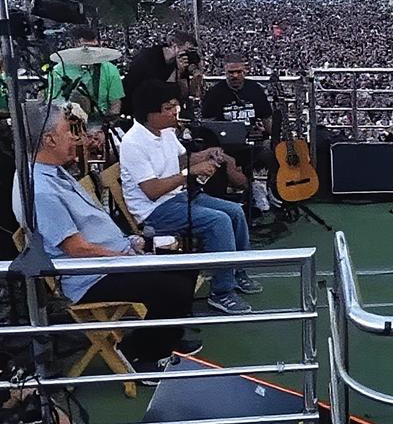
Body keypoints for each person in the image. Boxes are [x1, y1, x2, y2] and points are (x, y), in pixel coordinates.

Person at [11, 101, 200, 372]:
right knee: (173, 288)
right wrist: (126, 257)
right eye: (68, 131)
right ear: (49, 139)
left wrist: (129, 245)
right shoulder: (40, 190)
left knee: (186, 265)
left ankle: (165, 339)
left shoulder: (51, 172)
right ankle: (141, 356)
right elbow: (77, 249)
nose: (74, 137)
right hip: (91, 276)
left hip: (109, 257)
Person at [119, 80, 262, 314]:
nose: (174, 111)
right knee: (218, 221)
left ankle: (237, 272)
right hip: (155, 210)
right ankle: (222, 292)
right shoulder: (133, 143)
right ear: (150, 113)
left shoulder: (165, 131)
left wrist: (206, 154)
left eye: (175, 105)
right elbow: (152, 190)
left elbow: (182, 159)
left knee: (235, 212)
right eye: (168, 107)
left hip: (179, 197)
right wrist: (189, 173)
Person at [48, 27, 125, 118]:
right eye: (85, 48)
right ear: (73, 44)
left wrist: (110, 122)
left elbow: (115, 104)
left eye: (94, 48)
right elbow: (54, 106)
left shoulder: (110, 69)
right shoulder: (58, 71)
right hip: (67, 121)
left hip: (100, 121)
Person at [121, 31, 201, 116]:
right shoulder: (149, 57)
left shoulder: (180, 62)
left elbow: (184, 92)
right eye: (187, 50)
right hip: (138, 107)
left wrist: (182, 72)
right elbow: (154, 88)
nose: (188, 55)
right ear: (174, 46)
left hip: (164, 109)